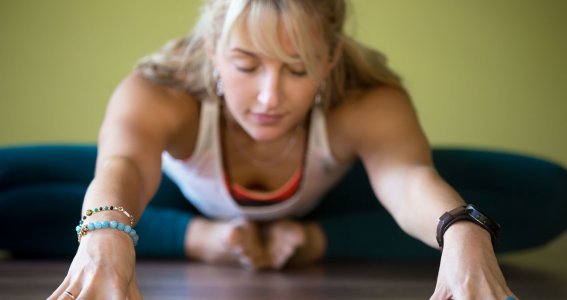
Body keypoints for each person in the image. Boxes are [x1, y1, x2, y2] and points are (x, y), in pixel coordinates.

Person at [9, 0, 567, 298]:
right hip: (168, 195)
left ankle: (313, 241)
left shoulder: (366, 100)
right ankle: (196, 237)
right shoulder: (163, 90)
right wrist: (108, 235)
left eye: (297, 69)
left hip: (330, 200)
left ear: (328, 61)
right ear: (213, 50)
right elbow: (125, 164)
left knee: (549, 193)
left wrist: (464, 231)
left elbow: (407, 178)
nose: (270, 97)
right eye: (247, 65)